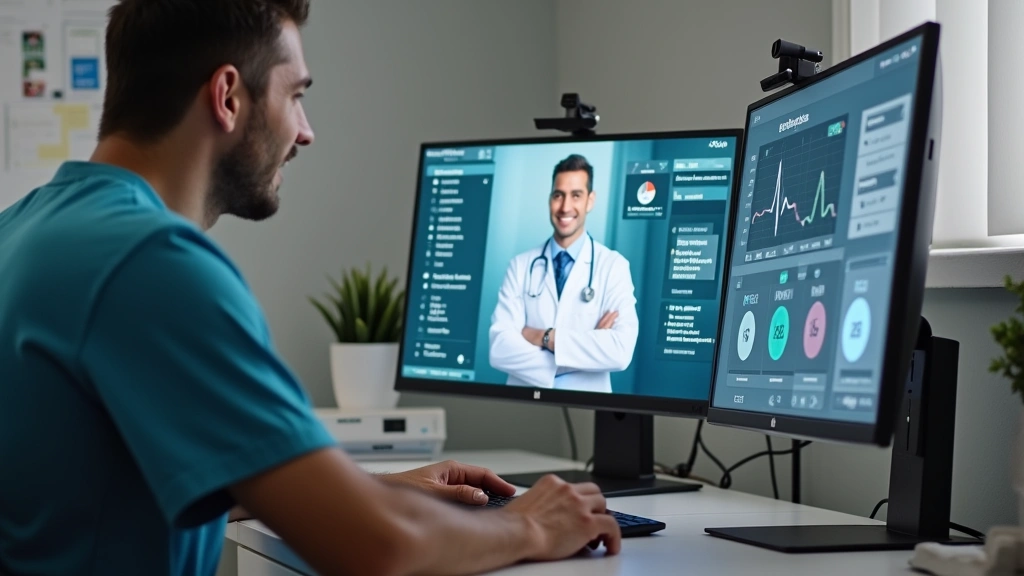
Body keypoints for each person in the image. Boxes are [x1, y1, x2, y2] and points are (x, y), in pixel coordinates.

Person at [0, 2, 621, 575]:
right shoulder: (151, 263)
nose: (305, 131)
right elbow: (374, 547)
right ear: (227, 96)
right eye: (295, 95)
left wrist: (373, 490)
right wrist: (532, 526)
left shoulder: (25, 229)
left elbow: (120, 489)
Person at [489, 154, 640, 393]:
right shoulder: (520, 265)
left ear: (590, 201)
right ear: (550, 199)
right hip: (526, 405)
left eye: (576, 195)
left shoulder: (613, 266)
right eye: (558, 195)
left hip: (588, 408)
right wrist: (583, 353)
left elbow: (620, 352)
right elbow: (499, 348)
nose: (565, 207)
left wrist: (544, 337)